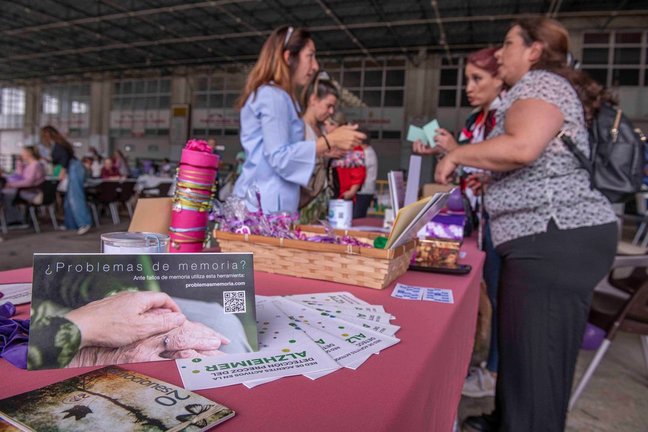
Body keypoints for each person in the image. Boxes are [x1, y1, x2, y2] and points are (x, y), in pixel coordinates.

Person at [434, 18, 618, 432]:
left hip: (555, 235)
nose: (500, 53)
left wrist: (457, 155)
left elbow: (523, 147)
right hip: (539, 239)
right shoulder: (534, 89)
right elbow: (533, 157)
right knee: (521, 350)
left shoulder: (542, 84)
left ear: (534, 50)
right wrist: (494, 178)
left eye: (508, 43)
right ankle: (507, 421)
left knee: (538, 361)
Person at [415, 47, 505, 398]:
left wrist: (454, 150)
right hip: (475, 220)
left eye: (477, 79)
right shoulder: (474, 122)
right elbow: (469, 170)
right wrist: (443, 152)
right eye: (467, 79)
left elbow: (500, 162)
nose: (468, 87)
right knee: (483, 294)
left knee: (499, 298)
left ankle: (494, 371)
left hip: (499, 222)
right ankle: (477, 359)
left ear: (502, 79)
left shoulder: (507, 121)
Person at [233, 25, 365, 213]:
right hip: (262, 207)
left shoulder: (284, 98)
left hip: (272, 205)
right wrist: (329, 141)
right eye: (310, 56)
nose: (315, 66)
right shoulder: (272, 96)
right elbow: (279, 156)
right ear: (289, 58)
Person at [299, 71, 343, 224]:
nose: (331, 112)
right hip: (303, 202)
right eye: (328, 106)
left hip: (321, 198)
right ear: (313, 99)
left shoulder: (320, 130)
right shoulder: (300, 129)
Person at [41, 126, 93, 235]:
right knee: (69, 200)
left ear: (47, 134)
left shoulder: (57, 146)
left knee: (75, 197)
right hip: (73, 168)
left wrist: (61, 174)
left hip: (74, 169)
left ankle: (84, 223)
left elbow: (63, 161)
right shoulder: (58, 145)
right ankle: (71, 224)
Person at [1, 146, 46, 225]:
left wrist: (11, 185)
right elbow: (20, 176)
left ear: (29, 154)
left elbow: (28, 182)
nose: (21, 154)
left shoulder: (35, 165)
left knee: (7, 195)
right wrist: (19, 164)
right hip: (29, 190)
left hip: (33, 192)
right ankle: (14, 218)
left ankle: (14, 219)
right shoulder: (30, 165)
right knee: (7, 194)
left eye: (23, 153)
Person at [354, 133, 378, 218]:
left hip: (364, 191)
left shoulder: (367, 153)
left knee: (357, 217)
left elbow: (359, 170)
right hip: (364, 190)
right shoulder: (366, 152)